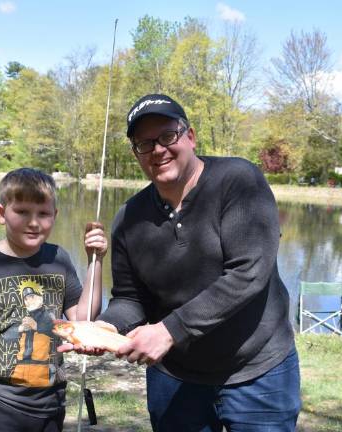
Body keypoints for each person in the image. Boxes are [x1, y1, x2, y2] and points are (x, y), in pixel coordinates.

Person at [96, 94, 301, 431]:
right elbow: (131, 299)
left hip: (258, 370)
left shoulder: (239, 180)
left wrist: (168, 330)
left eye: (167, 136)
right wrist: (107, 328)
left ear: (189, 136)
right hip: (175, 376)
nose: (158, 150)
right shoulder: (129, 219)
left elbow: (249, 273)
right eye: (144, 144)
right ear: (136, 154)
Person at [0, 168, 107, 432]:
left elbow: (83, 318)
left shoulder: (59, 259)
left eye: (43, 214)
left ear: (55, 215)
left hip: (50, 404)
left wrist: (94, 261)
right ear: (1, 213)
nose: (33, 223)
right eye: (22, 212)